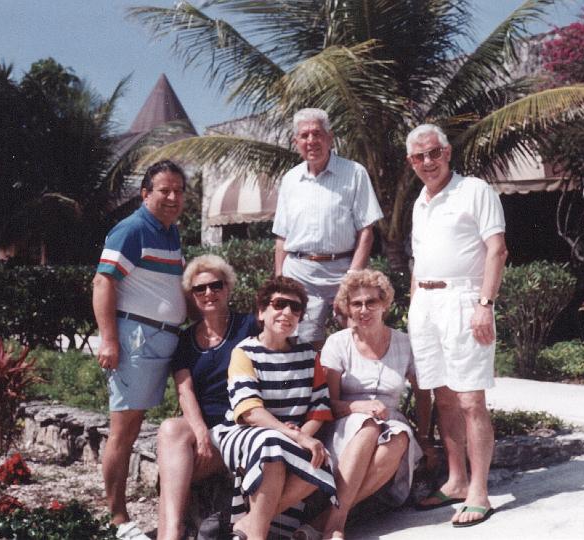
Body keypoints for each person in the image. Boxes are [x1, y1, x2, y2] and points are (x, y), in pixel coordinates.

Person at [405, 124, 508, 527]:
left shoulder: (475, 190)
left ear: (447, 152)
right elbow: (418, 260)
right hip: (426, 303)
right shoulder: (420, 202)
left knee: (470, 401)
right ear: (411, 162)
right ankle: (457, 480)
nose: (427, 162)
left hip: (465, 300)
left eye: (433, 153)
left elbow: (496, 250)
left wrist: (485, 304)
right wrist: (415, 307)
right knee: (444, 398)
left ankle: (480, 491)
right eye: (419, 157)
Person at [296, 270, 432, 540]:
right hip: (346, 424)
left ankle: (330, 519)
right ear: (347, 308)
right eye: (356, 304)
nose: (364, 309)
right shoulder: (338, 343)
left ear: (385, 304)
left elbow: (424, 396)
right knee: (368, 426)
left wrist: (426, 439)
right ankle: (336, 524)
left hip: (391, 421)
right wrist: (358, 407)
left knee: (400, 435)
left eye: (371, 302)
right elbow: (328, 403)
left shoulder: (404, 343)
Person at [93, 160, 188, 540]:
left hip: (163, 339)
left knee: (133, 428)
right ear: (145, 193)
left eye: (178, 191)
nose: (172, 197)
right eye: (164, 190)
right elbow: (103, 282)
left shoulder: (171, 231)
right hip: (136, 340)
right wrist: (109, 339)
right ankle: (117, 519)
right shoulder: (132, 229)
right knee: (124, 431)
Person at [215, 276, 338, 540]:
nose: (287, 313)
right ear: (261, 312)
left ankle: (249, 523)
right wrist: (295, 435)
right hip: (243, 433)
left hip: (287, 435)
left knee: (321, 460)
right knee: (272, 444)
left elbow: (320, 408)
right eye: (279, 304)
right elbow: (249, 410)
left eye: (295, 308)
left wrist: (304, 435)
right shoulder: (244, 352)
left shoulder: (308, 356)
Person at [156, 255, 259, 540]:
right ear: (192, 295)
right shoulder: (185, 340)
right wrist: (201, 433)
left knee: (171, 476)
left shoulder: (248, 326)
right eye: (199, 289)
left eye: (215, 286)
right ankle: (175, 528)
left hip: (240, 425)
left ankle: (170, 533)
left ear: (228, 288)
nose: (208, 293)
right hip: (205, 426)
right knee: (170, 429)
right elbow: (184, 390)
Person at [272, 108, 383, 348]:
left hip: (343, 271)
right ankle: (315, 386)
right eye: (304, 136)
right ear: (296, 142)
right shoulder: (290, 180)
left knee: (359, 339)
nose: (311, 141)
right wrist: (280, 280)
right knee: (303, 345)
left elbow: (367, 232)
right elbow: (282, 237)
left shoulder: (354, 173)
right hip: (300, 273)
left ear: (329, 138)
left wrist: (351, 279)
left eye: (317, 134)